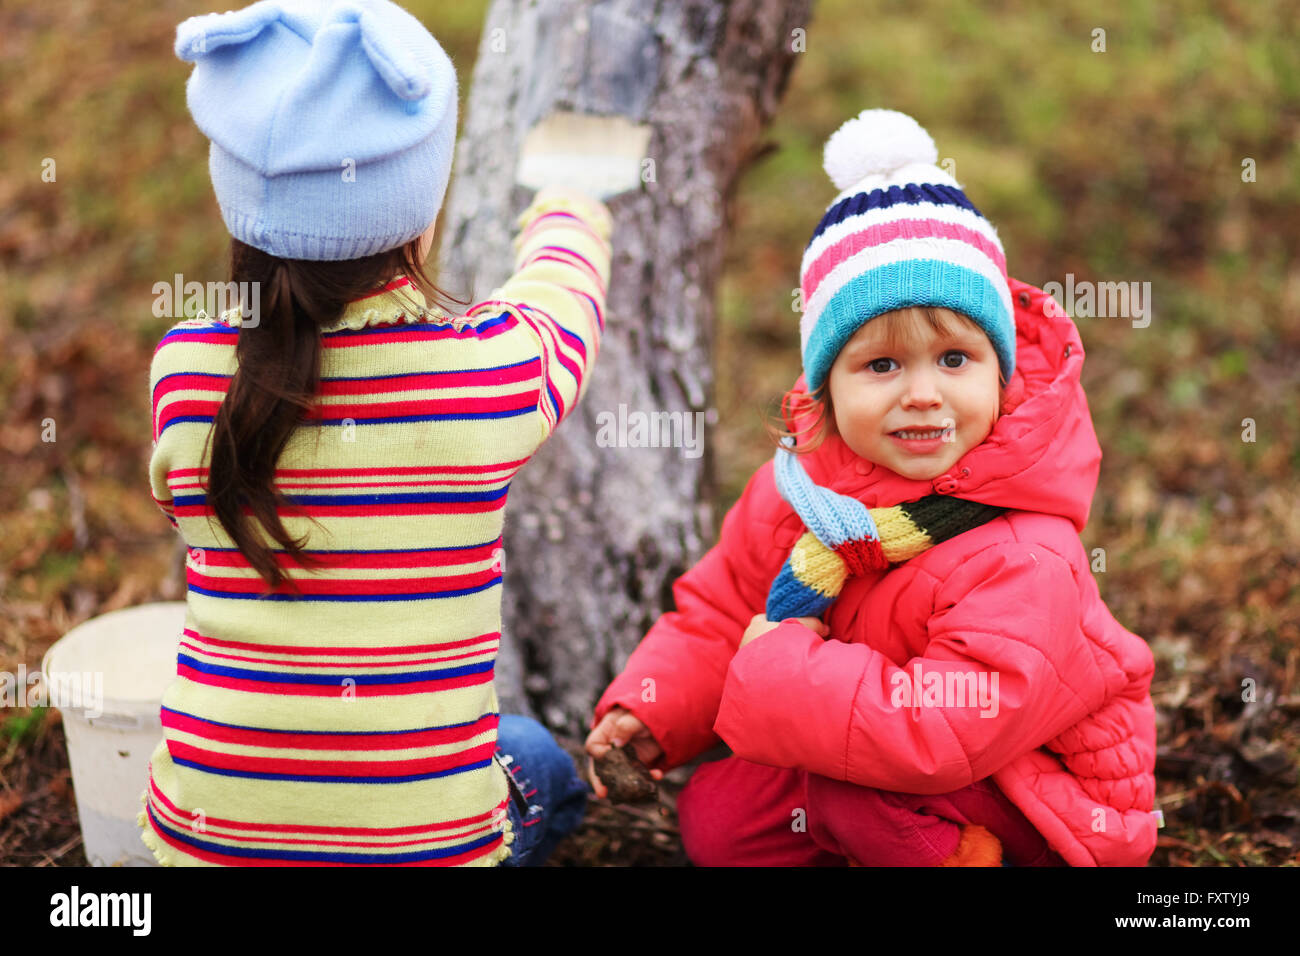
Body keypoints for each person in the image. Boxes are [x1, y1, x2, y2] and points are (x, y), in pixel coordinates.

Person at [586, 109, 1158, 866]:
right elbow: (725, 616)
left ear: (1001, 370)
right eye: (881, 366)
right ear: (825, 386)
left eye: (954, 359)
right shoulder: (799, 493)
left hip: (1034, 794)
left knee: (853, 793)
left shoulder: (1023, 549)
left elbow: (947, 727)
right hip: (869, 742)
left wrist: (785, 670)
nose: (922, 394)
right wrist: (652, 708)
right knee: (720, 814)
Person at [140, 0, 608, 866]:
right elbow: (563, 296)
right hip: (425, 847)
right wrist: (570, 201)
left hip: (208, 839)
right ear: (420, 214)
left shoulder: (186, 370)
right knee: (537, 756)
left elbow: (185, 513)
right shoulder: (494, 370)